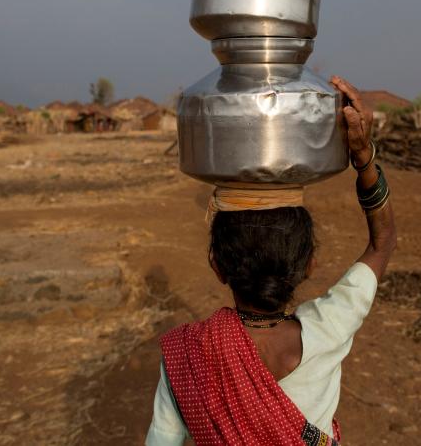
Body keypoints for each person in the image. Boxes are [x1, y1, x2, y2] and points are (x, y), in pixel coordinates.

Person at [145, 76, 397, 446]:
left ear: (217, 264)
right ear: (309, 263)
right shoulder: (329, 329)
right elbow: (383, 242)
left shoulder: (187, 359)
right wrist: (363, 157)